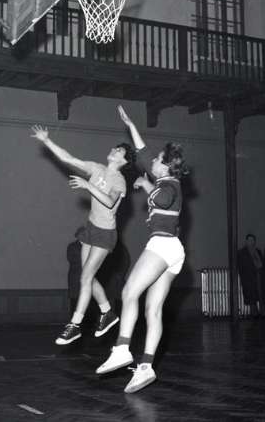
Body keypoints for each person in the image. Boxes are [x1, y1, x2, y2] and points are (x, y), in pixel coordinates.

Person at [96, 105, 188, 394]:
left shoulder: (170, 185)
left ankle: (122, 349)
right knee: (153, 309)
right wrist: (131, 125)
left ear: (165, 166)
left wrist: (147, 185)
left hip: (162, 245)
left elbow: (162, 198)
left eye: (158, 160)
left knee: (128, 293)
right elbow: (143, 151)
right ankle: (146, 366)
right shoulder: (164, 177)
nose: (152, 161)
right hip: (174, 252)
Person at [31, 125, 134, 345]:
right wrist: (47, 141)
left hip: (105, 233)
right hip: (91, 228)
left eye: (119, 151)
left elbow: (109, 202)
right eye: (115, 147)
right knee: (86, 277)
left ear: (124, 162)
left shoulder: (119, 180)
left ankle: (74, 325)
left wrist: (88, 185)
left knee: (86, 277)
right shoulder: (97, 168)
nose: (114, 150)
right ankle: (107, 312)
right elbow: (69, 158)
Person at [237, 234, 265, 318]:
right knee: (251, 294)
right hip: (249, 277)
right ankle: (254, 313)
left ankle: (263, 311)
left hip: (259, 275)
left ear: (255, 241)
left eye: (252, 240)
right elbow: (241, 266)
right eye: (249, 240)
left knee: (261, 293)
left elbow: (263, 263)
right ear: (246, 241)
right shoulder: (242, 252)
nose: (251, 242)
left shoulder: (258, 251)